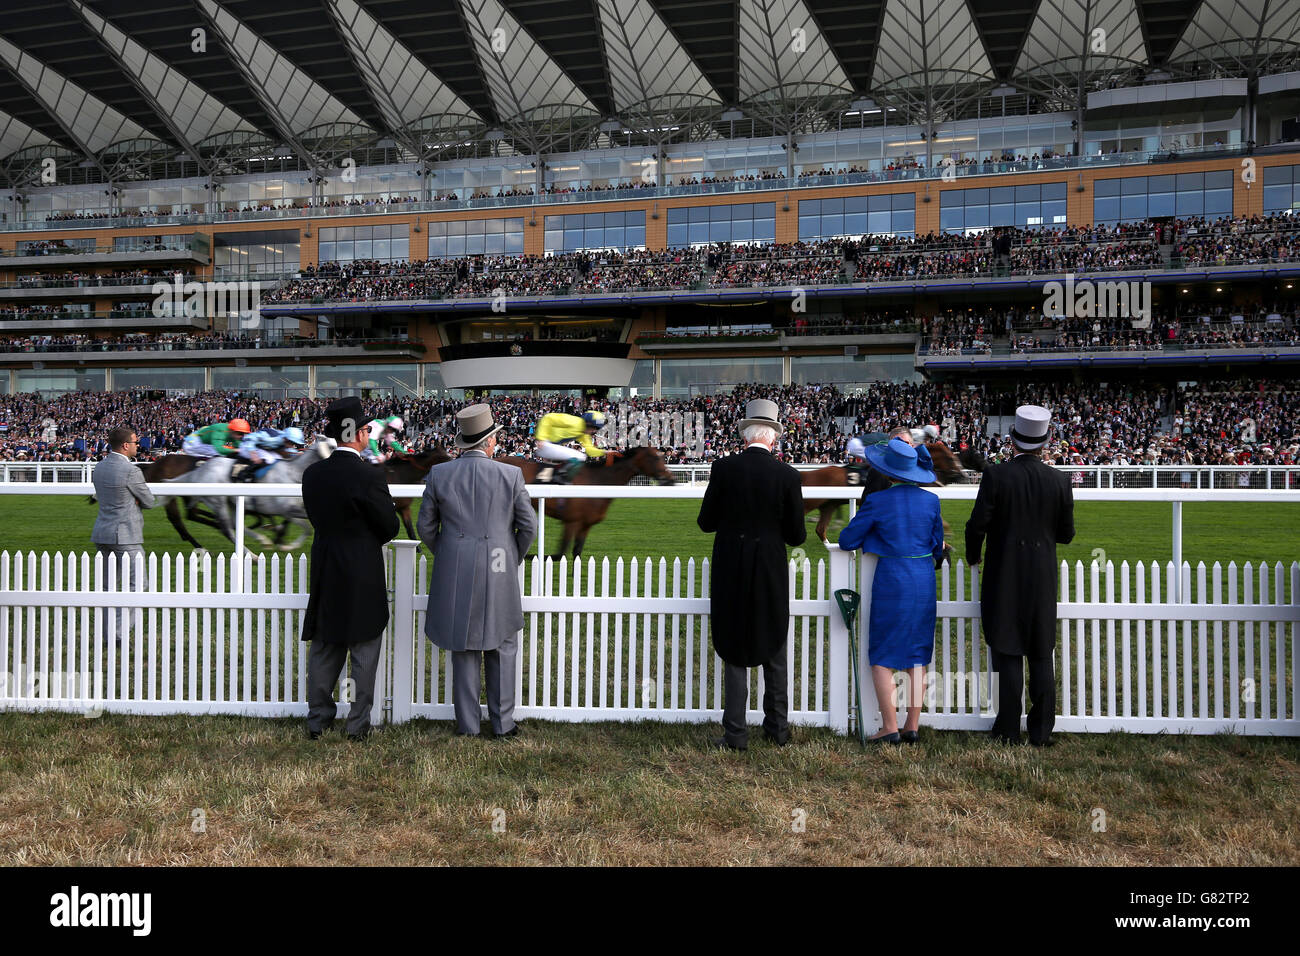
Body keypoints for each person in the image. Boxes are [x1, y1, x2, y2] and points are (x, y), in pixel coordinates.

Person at [418, 404, 537, 737]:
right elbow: (528, 527)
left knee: (463, 645)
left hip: (455, 564)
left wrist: (448, 553)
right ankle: (503, 724)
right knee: (502, 643)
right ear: (489, 443)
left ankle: (468, 726)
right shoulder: (510, 474)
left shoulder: (440, 474)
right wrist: (511, 556)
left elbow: (425, 526)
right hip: (499, 566)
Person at [697, 398, 806, 750]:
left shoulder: (723, 469)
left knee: (733, 643)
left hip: (731, 563)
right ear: (772, 439)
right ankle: (777, 728)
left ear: (745, 436)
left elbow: (706, 522)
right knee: (773, 641)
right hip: (770, 567)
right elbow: (797, 535)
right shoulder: (788, 475)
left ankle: (735, 733)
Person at [965, 404, 1075, 747]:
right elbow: (1066, 534)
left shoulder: (997, 476)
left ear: (1012, 441)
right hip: (1041, 575)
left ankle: (1008, 728)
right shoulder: (1059, 480)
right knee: (1041, 651)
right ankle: (1041, 732)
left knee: (1007, 649)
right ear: (1044, 443)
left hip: (1004, 572)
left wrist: (973, 557)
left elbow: (976, 525)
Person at [301, 397, 400, 741]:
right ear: (358, 433)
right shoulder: (369, 475)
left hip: (326, 565)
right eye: (368, 429)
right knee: (363, 650)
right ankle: (357, 725)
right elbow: (389, 527)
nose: (370, 433)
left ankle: (318, 720)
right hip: (361, 569)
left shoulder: (313, 473)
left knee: (325, 646)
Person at [838, 438, 947, 744]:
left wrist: (875, 537)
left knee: (882, 654)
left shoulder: (879, 501)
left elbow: (847, 540)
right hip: (923, 578)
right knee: (917, 654)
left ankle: (889, 726)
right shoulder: (931, 501)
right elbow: (936, 545)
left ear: (889, 472)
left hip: (893, 579)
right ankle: (912, 725)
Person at [90, 425, 156, 642]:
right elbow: (149, 501)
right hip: (126, 534)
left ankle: (105, 631)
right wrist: (134, 498)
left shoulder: (99, 467)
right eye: (137, 442)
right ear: (126, 445)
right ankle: (118, 634)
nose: (139, 446)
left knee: (107, 586)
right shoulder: (131, 471)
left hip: (102, 531)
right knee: (138, 585)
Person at [534, 409, 609, 483]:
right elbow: (547, 418)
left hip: (551, 446)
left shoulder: (584, 434)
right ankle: (561, 477)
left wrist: (605, 452)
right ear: (588, 424)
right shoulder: (573, 421)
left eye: (597, 429)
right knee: (580, 456)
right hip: (545, 444)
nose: (594, 431)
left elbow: (590, 450)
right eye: (594, 428)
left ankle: (558, 477)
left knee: (582, 456)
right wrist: (541, 438)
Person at [182, 418, 250, 458]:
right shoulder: (220, 432)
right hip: (193, 442)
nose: (242, 436)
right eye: (240, 433)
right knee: (218, 453)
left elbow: (240, 446)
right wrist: (236, 450)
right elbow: (220, 449)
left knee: (230, 447)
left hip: (209, 442)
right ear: (232, 431)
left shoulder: (233, 433)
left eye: (243, 434)